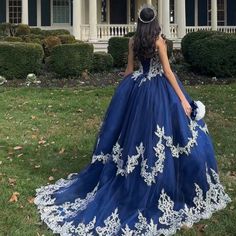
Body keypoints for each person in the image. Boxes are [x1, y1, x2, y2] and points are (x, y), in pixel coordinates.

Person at [34, 4, 231, 236]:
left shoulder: (132, 41)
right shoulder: (159, 40)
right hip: (160, 91)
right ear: (155, 21)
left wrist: (124, 93)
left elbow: (129, 70)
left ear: (138, 22)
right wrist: (184, 101)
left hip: (139, 88)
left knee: (135, 134)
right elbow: (168, 72)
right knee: (168, 133)